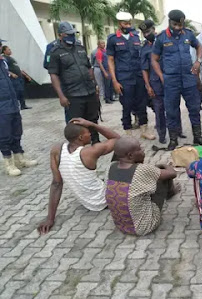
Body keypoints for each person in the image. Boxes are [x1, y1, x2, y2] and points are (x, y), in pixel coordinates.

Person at [37, 118, 120, 235]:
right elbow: (117, 139)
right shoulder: (90, 151)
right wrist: (92, 124)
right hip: (105, 199)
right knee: (126, 148)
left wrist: (50, 218)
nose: (90, 134)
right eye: (88, 132)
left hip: (87, 202)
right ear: (81, 137)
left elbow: (56, 184)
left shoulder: (56, 150)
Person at [152, 9, 202, 150]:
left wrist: (198, 61)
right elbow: (154, 59)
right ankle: (173, 140)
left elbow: (199, 46)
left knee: (194, 108)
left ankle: (198, 136)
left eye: (180, 25)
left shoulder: (189, 34)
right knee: (171, 110)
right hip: (171, 80)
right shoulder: (161, 38)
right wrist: (161, 76)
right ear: (170, 22)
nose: (177, 28)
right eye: (175, 24)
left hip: (188, 78)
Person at [106, 136, 180, 236]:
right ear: (130, 156)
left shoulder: (111, 166)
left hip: (121, 226)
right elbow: (172, 174)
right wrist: (165, 165)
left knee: (153, 177)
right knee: (162, 178)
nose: (143, 150)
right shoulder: (142, 170)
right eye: (140, 149)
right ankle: (170, 193)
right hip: (143, 227)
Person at [48, 22, 100, 144]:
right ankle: (78, 146)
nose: (71, 37)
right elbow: (53, 75)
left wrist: (95, 85)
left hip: (89, 90)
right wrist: (61, 96)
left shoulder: (80, 48)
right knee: (76, 122)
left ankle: (95, 141)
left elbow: (88, 68)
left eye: (73, 34)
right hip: (73, 94)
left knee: (93, 118)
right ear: (60, 35)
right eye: (68, 34)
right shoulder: (55, 52)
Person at [107, 11, 155, 139]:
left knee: (142, 103)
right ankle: (128, 133)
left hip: (138, 76)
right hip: (124, 78)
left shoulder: (135, 36)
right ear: (119, 24)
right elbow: (110, 61)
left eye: (129, 23)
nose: (128, 25)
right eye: (125, 23)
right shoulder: (113, 39)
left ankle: (144, 130)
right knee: (127, 105)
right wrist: (114, 81)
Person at [0, 37, 37, 177]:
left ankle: (19, 158)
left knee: (16, 131)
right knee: (4, 135)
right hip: (1, 105)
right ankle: (8, 163)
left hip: (12, 102)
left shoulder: (3, 62)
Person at [140, 20, 167, 144]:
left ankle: (176, 131)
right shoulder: (144, 48)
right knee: (159, 109)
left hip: (169, 79)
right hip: (155, 82)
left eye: (148, 31)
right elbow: (144, 69)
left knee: (172, 107)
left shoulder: (164, 40)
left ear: (154, 29)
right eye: (144, 33)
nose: (146, 34)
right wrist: (147, 86)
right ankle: (162, 134)